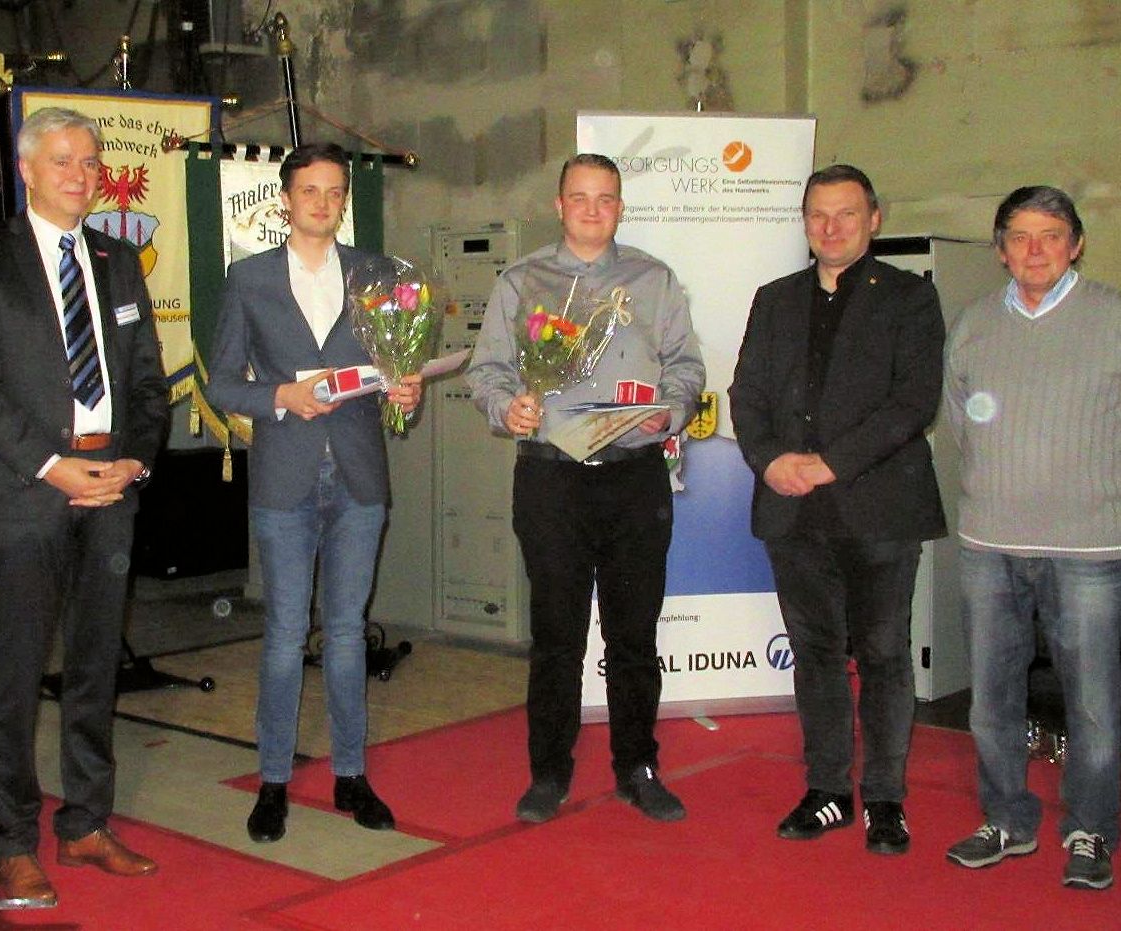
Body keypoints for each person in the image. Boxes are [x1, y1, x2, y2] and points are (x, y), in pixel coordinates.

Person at [0, 106, 169, 908]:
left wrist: (133, 460)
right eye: (64, 160)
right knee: (17, 671)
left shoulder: (117, 259)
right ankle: (12, 841)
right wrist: (53, 467)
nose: (82, 174)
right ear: (27, 168)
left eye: (91, 161)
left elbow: (148, 380)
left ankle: (85, 822)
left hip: (111, 486)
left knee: (95, 663)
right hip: (30, 490)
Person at [466, 153, 703, 824]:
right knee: (556, 635)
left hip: (634, 478)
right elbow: (487, 372)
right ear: (560, 205)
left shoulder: (654, 280)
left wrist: (671, 410)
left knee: (634, 636)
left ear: (620, 208)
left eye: (605, 199)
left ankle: (638, 767)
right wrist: (507, 407)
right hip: (551, 478)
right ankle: (549, 771)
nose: (593, 210)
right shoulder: (522, 281)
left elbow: (687, 366)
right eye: (580, 198)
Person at [205, 142, 423, 843]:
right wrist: (280, 396)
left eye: (334, 192)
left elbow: (395, 370)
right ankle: (272, 782)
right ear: (285, 200)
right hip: (285, 477)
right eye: (310, 191)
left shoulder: (377, 274)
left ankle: (351, 775)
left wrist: (405, 391)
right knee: (283, 633)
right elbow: (222, 382)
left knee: (348, 632)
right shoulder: (249, 279)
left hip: (359, 474)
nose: (323, 203)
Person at [728, 164, 945, 856]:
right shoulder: (775, 299)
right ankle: (826, 790)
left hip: (878, 508)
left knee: (882, 655)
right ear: (804, 222)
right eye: (818, 214)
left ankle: (884, 799)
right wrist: (769, 460)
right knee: (816, 655)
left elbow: (913, 402)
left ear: (874, 219)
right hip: (792, 511)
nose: (831, 227)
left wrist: (830, 464)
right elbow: (745, 394)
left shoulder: (909, 298)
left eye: (847, 213)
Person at [942, 186, 1120, 891]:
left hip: (1090, 548)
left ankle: (1091, 828)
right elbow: (962, 421)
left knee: (1095, 704)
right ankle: (1007, 819)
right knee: (991, 699)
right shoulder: (974, 323)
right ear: (1000, 250)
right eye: (1019, 236)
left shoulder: (1112, 318)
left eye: (1051, 235)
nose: (1035, 249)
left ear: (1076, 244)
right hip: (990, 543)